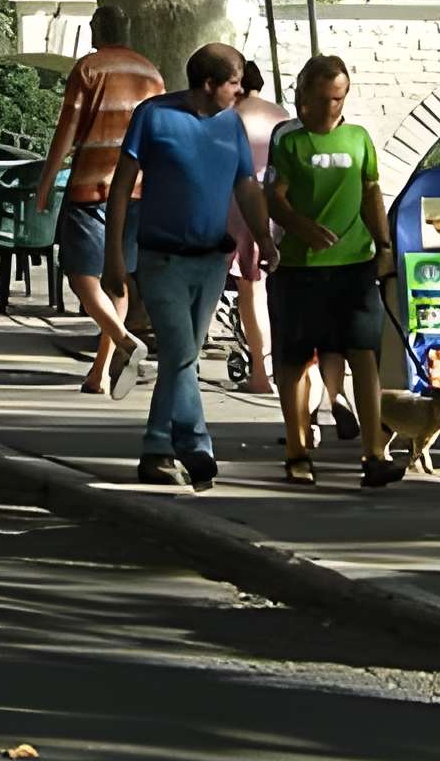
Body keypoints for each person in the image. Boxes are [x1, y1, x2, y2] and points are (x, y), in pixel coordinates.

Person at [104, 44, 270, 489]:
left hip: (213, 260)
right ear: (209, 84)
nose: (241, 92)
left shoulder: (231, 125)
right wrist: (113, 256)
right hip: (161, 257)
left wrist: (266, 238)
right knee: (180, 353)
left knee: (185, 358)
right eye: (235, 84)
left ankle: (156, 450)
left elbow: (247, 188)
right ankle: (196, 444)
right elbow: (120, 187)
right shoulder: (154, 116)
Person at [260, 57, 397, 487]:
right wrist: (301, 226)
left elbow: (371, 192)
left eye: (337, 99)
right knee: (296, 361)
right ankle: (297, 452)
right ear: (302, 97)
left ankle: (374, 454)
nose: (328, 109)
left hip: (354, 267)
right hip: (300, 268)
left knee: (365, 357)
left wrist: (385, 246)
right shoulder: (290, 142)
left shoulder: (359, 139)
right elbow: (272, 196)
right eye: (320, 100)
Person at [39, 8, 164, 395]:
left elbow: (68, 128)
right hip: (138, 189)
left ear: (98, 29)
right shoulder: (152, 74)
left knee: (80, 275)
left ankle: (125, 342)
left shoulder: (88, 69)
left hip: (90, 187)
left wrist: (45, 182)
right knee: (118, 279)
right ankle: (99, 372)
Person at [224, 56, 292, 402]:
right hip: (276, 207)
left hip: (236, 204)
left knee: (247, 291)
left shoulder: (230, 116)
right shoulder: (281, 115)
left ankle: (260, 372)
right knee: (268, 292)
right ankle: (277, 366)